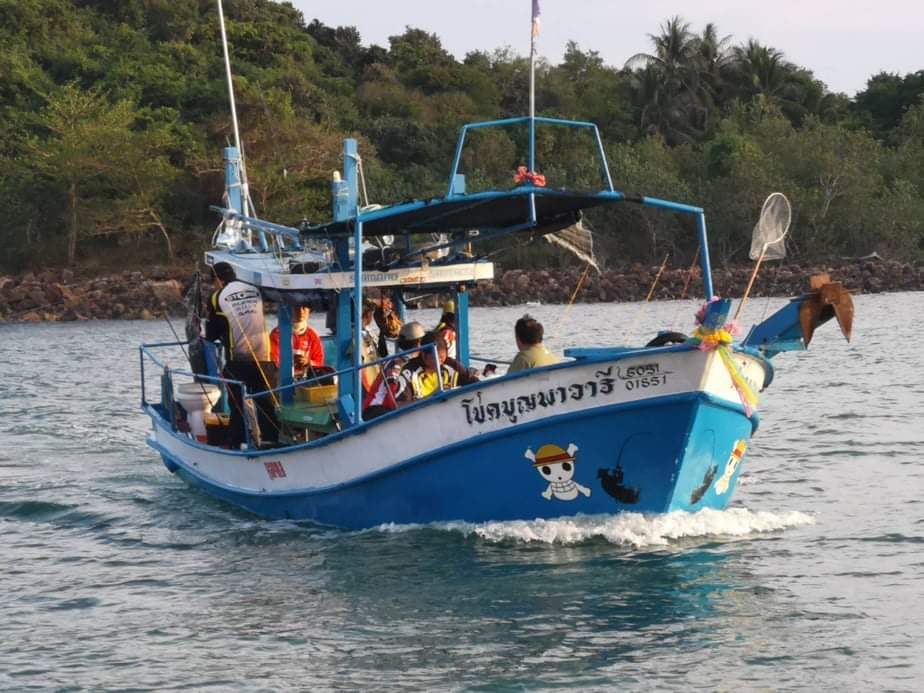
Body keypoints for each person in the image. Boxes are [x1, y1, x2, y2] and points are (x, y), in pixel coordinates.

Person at [205, 262, 278, 447]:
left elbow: (212, 333)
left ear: (218, 280)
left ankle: (238, 442)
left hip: (237, 361)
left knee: (237, 406)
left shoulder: (217, 297)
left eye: (213, 281)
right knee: (266, 403)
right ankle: (270, 442)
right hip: (265, 359)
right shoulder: (255, 289)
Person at [363, 321, 426, 419]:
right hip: (376, 409)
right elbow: (391, 393)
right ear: (418, 343)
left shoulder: (407, 362)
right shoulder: (397, 363)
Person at [397, 332, 478, 403]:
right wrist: (432, 396)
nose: (439, 362)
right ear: (423, 355)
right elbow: (399, 405)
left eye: (441, 357)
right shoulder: (409, 372)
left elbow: (474, 382)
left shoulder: (452, 365)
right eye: (434, 358)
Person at [269, 304, 325, 380]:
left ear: (309, 311)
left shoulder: (313, 335)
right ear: (289, 310)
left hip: (306, 381)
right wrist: (291, 362)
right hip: (283, 381)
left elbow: (319, 363)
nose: (300, 311)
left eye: (304, 308)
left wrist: (308, 362)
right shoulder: (276, 334)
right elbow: (274, 362)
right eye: (296, 307)